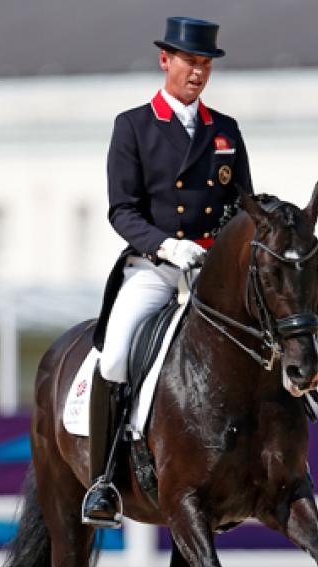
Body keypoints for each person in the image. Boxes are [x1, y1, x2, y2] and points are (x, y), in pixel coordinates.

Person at [82, 16, 254, 527]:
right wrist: (165, 246)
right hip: (156, 268)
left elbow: (243, 204)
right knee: (114, 359)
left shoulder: (225, 131)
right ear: (166, 61)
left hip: (210, 273)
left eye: (205, 64)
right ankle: (104, 481)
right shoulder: (133, 126)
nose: (198, 73)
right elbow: (122, 209)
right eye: (190, 62)